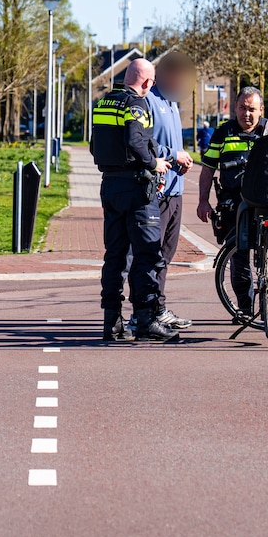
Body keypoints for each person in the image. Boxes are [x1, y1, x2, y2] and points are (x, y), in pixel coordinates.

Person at [90, 59, 175, 342]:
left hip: (110, 185)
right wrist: (154, 163)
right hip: (137, 189)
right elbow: (135, 140)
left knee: (115, 255)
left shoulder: (103, 103)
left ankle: (112, 322)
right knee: (148, 254)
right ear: (148, 83)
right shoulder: (136, 104)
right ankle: (146, 320)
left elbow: (94, 145)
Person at [196, 86, 268, 321]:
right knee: (238, 256)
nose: (247, 114)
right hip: (234, 201)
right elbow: (208, 169)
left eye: (252, 109)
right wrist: (203, 201)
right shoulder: (223, 133)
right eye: (243, 108)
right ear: (235, 108)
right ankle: (244, 308)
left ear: (261, 110)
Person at [144, 52, 196, 331]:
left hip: (176, 190)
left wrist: (182, 158)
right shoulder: (149, 101)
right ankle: (146, 312)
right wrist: (174, 155)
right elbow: (145, 144)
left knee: (166, 254)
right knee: (151, 255)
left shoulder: (173, 102)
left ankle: (158, 308)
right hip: (159, 191)